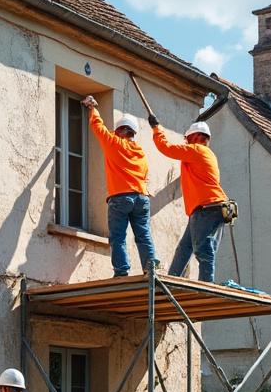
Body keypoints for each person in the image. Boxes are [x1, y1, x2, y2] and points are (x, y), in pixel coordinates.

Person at [81, 95, 160, 278]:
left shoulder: (114, 143)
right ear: (133, 132)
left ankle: (121, 271)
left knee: (118, 237)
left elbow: (98, 127)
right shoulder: (140, 153)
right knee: (143, 235)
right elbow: (145, 176)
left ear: (119, 131)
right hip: (141, 197)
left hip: (120, 197)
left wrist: (92, 108)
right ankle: (151, 270)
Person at [151, 117, 230, 282]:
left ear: (195, 137)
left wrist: (157, 129)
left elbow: (166, 148)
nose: (186, 143)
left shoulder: (197, 150)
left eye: (187, 139)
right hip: (208, 208)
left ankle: (206, 287)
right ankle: (172, 280)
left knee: (203, 250)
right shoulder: (206, 154)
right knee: (185, 248)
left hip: (206, 208)